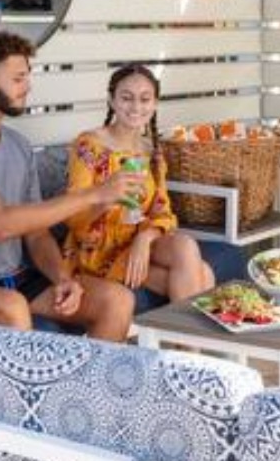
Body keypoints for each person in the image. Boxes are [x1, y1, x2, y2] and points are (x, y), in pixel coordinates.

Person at [0, 31, 137, 340]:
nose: (28, 86)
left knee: (116, 301)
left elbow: (36, 232)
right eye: (18, 78)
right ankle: (31, 390)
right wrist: (94, 194)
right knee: (11, 307)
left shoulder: (18, 145)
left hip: (16, 278)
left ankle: (81, 390)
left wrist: (62, 277)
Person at [62, 64, 215, 302]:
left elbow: (162, 212)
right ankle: (191, 340)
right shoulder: (88, 146)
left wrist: (145, 240)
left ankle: (184, 340)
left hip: (137, 244)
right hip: (97, 252)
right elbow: (72, 215)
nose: (136, 107)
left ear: (154, 104)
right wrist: (105, 198)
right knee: (202, 274)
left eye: (145, 99)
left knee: (186, 247)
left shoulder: (151, 152)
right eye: (126, 98)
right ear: (112, 100)